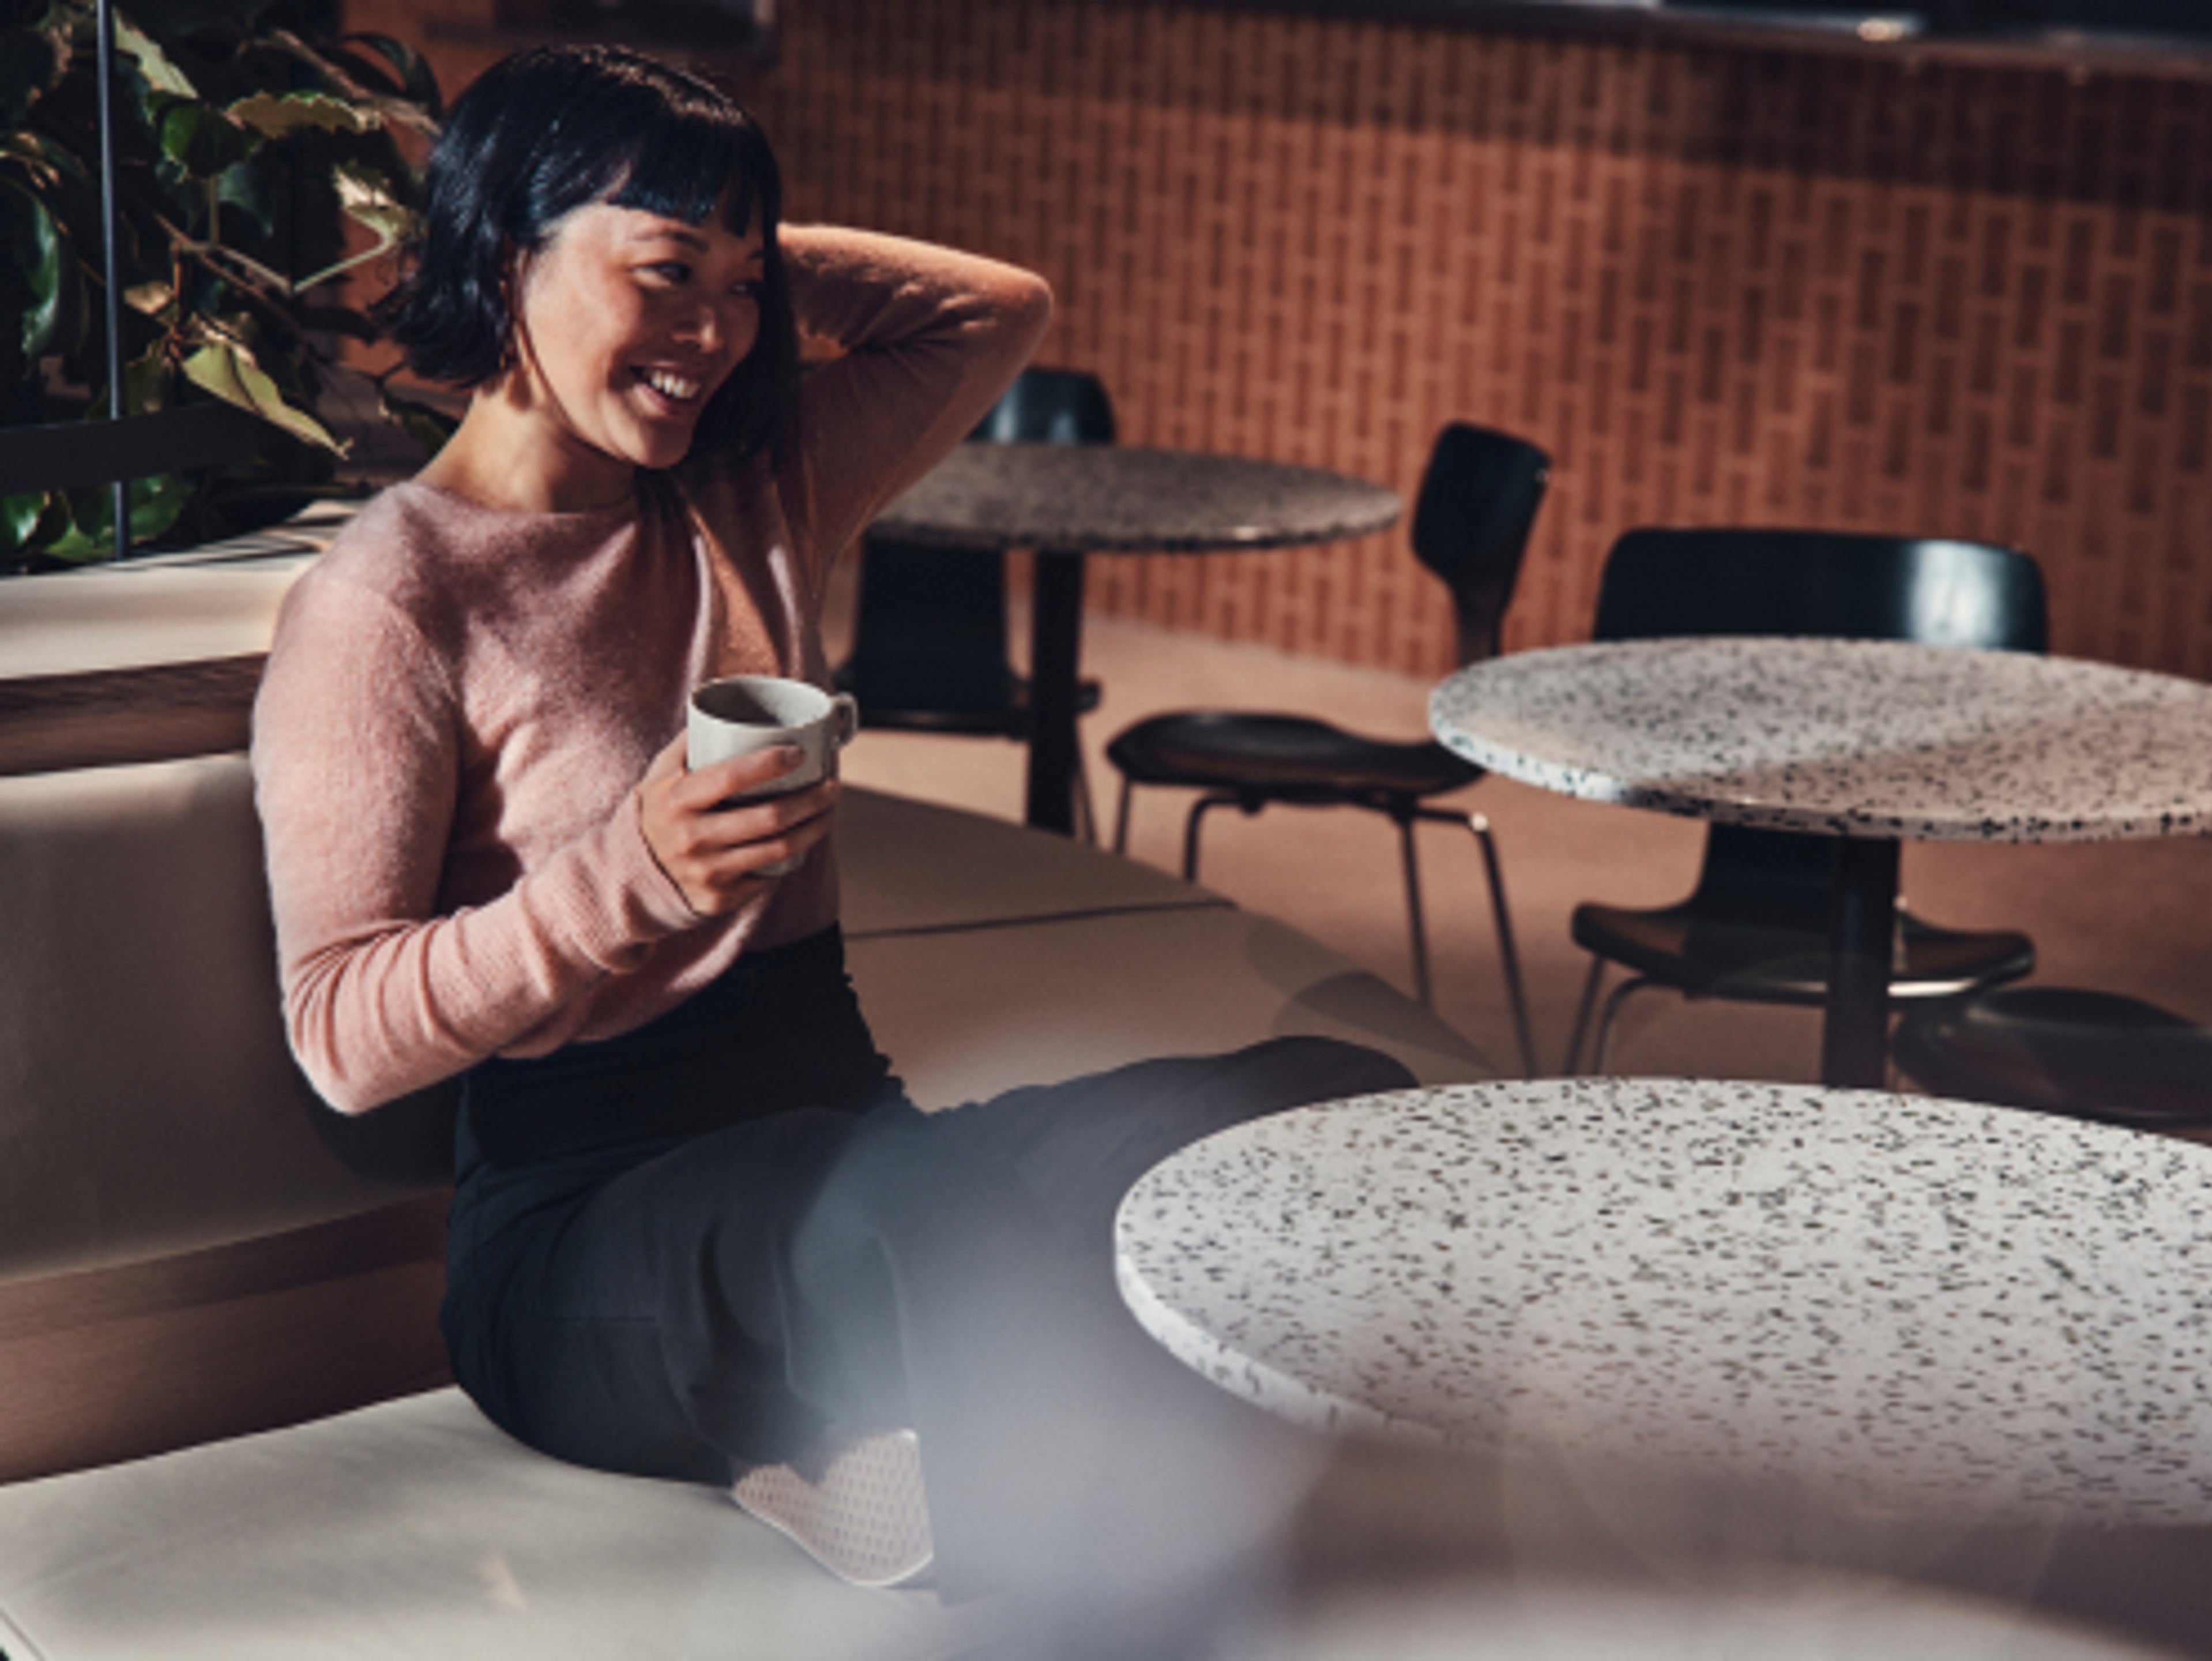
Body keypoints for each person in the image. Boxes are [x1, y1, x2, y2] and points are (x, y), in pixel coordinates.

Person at [250, 42, 1415, 1631]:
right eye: (669, 276)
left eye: (743, 287)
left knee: (1327, 1110)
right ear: (503, 250)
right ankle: (1058, 1597)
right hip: (585, 1226)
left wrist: (711, 221)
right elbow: (340, 1033)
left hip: (849, 1141)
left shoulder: (756, 486)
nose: (719, 333)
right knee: (928, 1228)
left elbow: (992, 308)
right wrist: (631, 880)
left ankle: (911, 1455)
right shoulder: (389, 600)